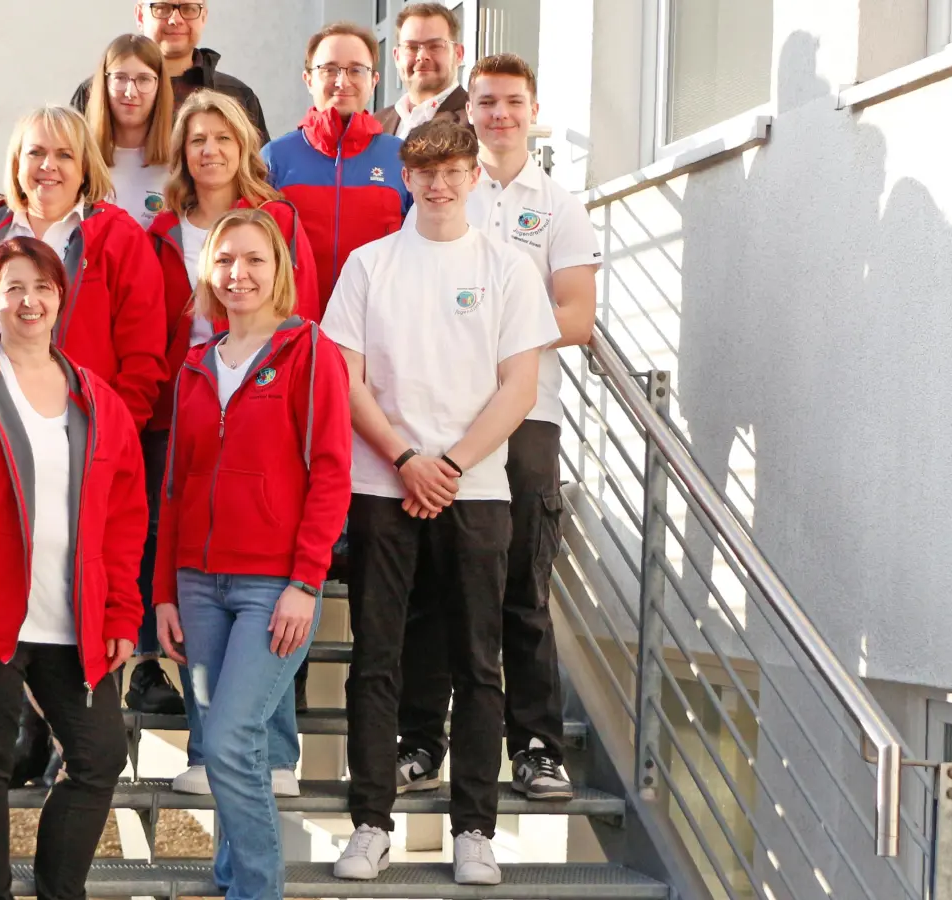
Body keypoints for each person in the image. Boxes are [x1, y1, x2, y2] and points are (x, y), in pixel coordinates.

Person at [320, 121, 559, 885]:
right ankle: (369, 824)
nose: (440, 184)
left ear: (472, 176)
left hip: (476, 489)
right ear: (407, 177)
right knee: (375, 661)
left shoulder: (508, 267)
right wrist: (404, 459)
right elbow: (346, 379)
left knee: (478, 665)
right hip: (382, 485)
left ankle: (475, 831)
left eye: (454, 170)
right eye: (426, 172)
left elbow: (519, 387)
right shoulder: (370, 264)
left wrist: (449, 464)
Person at [0, 235, 147, 900]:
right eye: (14, 287)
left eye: (42, 287)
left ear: (61, 297)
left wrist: (121, 612)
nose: (29, 300)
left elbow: (126, 517)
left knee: (99, 756)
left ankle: (58, 891)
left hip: (73, 619)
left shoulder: (97, 397)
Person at [396, 53, 602, 803]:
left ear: (533, 110)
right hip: (440, 425)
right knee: (430, 586)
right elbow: (413, 303)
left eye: (513, 102)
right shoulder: (445, 188)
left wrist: (496, 331)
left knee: (521, 588)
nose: (499, 114)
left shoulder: (559, 206)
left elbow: (577, 317)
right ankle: (421, 742)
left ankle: (537, 748)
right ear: (469, 110)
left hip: (527, 416)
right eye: (486, 102)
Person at [154, 208, 351, 900]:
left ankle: (257, 888)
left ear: (280, 271)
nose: (238, 273)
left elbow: (331, 473)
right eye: (225, 259)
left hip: (274, 584)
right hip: (198, 584)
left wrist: (307, 581)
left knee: (233, 738)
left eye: (254, 260)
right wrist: (165, 591)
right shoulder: (194, 366)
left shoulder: (310, 351)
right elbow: (176, 486)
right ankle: (232, 873)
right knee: (223, 740)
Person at [139, 89, 320, 792]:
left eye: (222, 137)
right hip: (185, 401)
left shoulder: (278, 218)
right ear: (181, 153)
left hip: (262, 400)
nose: (209, 150)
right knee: (193, 567)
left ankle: (269, 751)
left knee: (262, 588)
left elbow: (298, 310)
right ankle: (211, 748)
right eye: (196, 139)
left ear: (244, 146)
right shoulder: (162, 229)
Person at [0, 106, 167, 428]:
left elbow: (143, 359)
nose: (48, 165)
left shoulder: (120, 238)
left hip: (76, 429)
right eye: (36, 152)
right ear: (17, 163)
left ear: (84, 168)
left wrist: (110, 434)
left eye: (64, 155)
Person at [263, 22, 408, 316]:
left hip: (376, 328)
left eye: (356, 70)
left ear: (374, 80)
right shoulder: (274, 158)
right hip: (294, 329)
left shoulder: (401, 158)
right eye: (329, 69)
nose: (342, 81)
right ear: (308, 79)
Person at [71, 0, 268, 143]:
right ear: (140, 15)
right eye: (162, 8)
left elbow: (257, 176)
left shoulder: (235, 95)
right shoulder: (96, 93)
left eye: (189, 8)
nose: (175, 19)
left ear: (203, 17)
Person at [86, 34, 177, 230]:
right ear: (104, 83)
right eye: (120, 78)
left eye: (144, 79)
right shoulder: (81, 160)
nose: (130, 92)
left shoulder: (179, 164)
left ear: (159, 86)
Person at [372, 3, 469, 138]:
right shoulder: (377, 123)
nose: (422, 56)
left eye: (435, 46)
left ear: (458, 54)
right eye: (411, 47)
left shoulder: (478, 121)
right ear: (397, 57)